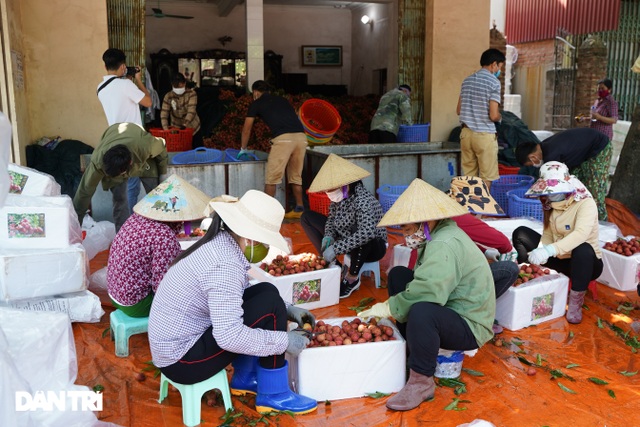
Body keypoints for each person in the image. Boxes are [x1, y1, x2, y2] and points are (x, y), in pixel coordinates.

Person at [148, 190, 318, 415]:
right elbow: (229, 336)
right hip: (181, 361)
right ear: (250, 238)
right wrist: (283, 341)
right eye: (265, 242)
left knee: (268, 292)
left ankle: (245, 378)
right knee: (270, 308)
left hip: (177, 344)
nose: (267, 249)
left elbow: (236, 296)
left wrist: (288, 309)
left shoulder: (221, 243)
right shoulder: (223, 265)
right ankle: (274, 395)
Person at [358, 178, 495, 411]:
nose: (404, 235)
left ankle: (421, 380)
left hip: (469, 324)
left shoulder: (444, 243)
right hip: (450, 309)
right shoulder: (438, 234)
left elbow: (428, 292)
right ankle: (410, 347)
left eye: (407, 228)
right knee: (399, 275)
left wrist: (389, 307)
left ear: (425, 222)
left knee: (422, 310)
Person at [107, 174, 211, 317]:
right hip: (136, 303)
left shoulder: (138, 218)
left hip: (115, 292)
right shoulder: (163, 237)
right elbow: (163, 288)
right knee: (196, 300)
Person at [512, 161, 602, 324]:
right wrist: (540, 251)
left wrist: (549, 250)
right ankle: (527, 275)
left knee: (582, 249)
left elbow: (580, 234)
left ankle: (575, 302)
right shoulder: (550, 203)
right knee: (521, 233)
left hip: (585, 264)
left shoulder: (585, 203)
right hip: (559, 259)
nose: (551, 194)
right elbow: (547, 233)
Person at [301, 154, 388, 298]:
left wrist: (335, 248)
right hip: (347, 235)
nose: (329, 193)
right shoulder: (340, 198)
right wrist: (328, 235)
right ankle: (335, 266)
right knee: (307, 218)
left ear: (345, 184)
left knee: (362, 234)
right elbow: (331, 218)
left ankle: (352, 278)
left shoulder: (363, 200)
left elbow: (366, 232)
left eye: (331, 188)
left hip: (373, 245)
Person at [73, 123, 168, 231]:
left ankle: (162, 232)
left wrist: (163, 174)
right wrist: (75, 229)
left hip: (143, 159)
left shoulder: (145, 146)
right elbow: (84, 193)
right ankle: (122, 237)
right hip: (117, 153)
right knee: (120, 199)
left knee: (157, 196)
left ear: (130, 163)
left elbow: (162, 146)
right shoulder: (98, 162)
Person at [239, 80, 307, 219]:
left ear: (256, 92)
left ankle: (266, 213)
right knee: (296, 176)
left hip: (283, 139)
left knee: (272, 178)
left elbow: (247, 129)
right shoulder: (282, 100)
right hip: (301, 138)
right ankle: (300, 208)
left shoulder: (256, 103)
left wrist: (243, 148)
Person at [98, 48, 153, 218]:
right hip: (133, 142)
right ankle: (134, 224)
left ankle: (127, 224)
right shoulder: (126, 85)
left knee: (127, 185)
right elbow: (148, 102)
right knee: (137, 185)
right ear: (123, 66)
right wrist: (137, 79)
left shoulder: (101, 88)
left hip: (115, 141)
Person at [515, 127, 612, 221]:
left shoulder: (551, 155)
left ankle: (601, 223)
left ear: (533, 157)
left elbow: (553, 186)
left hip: (599, 147)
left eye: (531, 164)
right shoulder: (544, 146)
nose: (533, 166)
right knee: (577, 184)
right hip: (584, 152)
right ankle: (580, 216)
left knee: (595, 190)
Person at [456, 48, 506, 191]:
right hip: (484, 136)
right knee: (486, 177)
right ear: (494, 64)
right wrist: (500, 117)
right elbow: (493, 115)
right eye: (500, 67)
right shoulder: (494, 82)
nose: (499, 71)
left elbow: (458, 110)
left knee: (469, 177)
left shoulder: (467, 81)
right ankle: (481, 212)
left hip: (466, 135)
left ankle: (469, 209)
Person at [160, 73, 202, 148]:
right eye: (175, 86)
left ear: (184, 83)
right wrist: (166, 130)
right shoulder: (168, 96)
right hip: (175, 129)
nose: (178, 89)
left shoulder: (192, 94)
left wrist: (185, 124)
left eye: (180, 86)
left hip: (193, 128)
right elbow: (164, 114)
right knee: (180, 152)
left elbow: (191, 111)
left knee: (197, 152)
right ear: (172, 85)